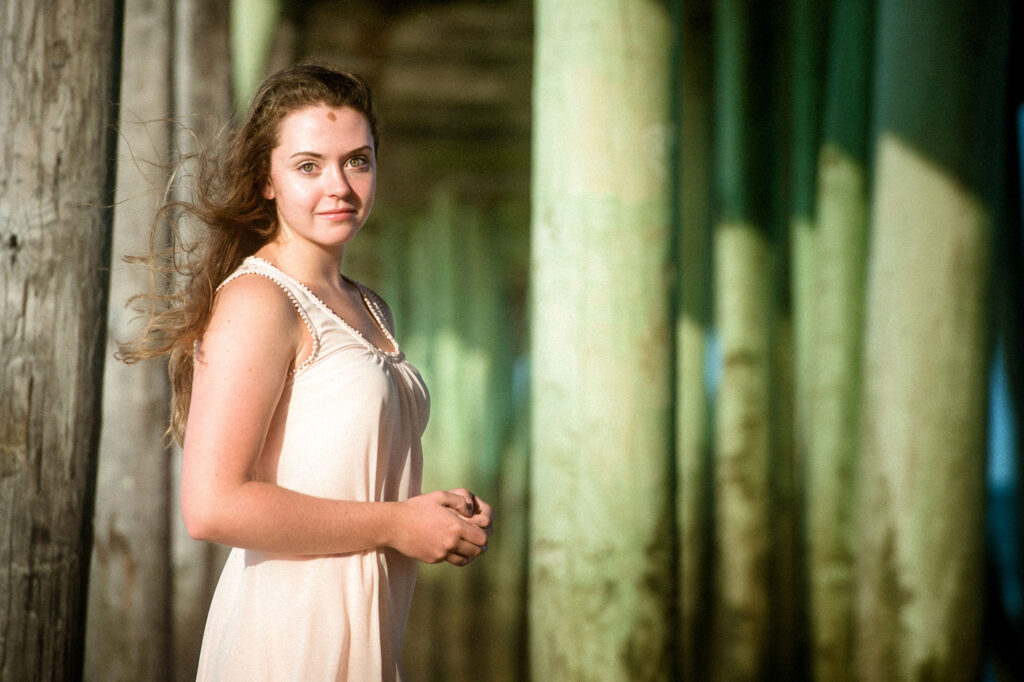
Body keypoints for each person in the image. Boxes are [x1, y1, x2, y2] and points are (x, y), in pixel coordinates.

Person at [120, 63, 494, 680]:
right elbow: (211, 506)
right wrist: (398, 524)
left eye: (359, 160)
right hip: (288, 642)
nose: (340, 186)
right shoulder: (259, 301)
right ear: (266, 179)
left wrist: (434, 512)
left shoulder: (371, 305)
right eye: (309, 166)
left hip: (369, 634)